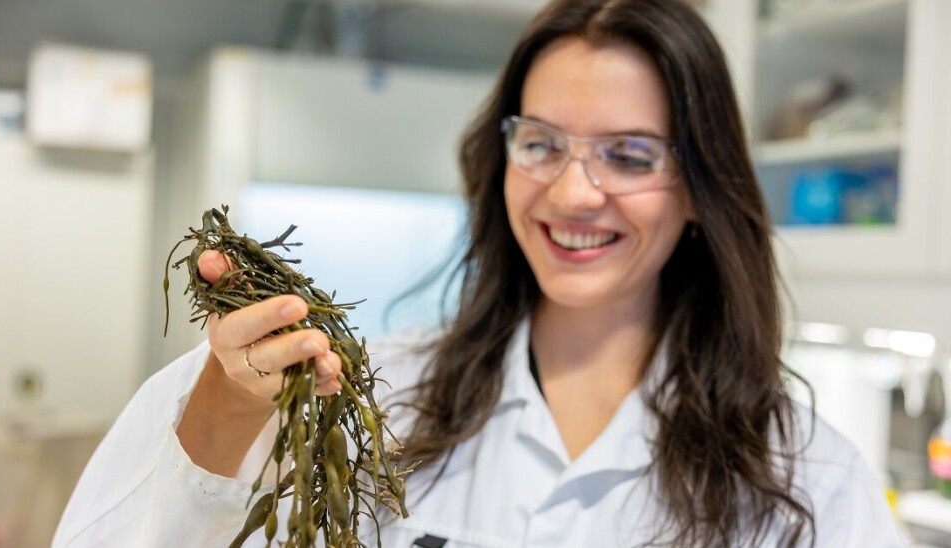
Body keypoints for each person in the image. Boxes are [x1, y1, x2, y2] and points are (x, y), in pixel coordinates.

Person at [54, 0, 904, 546]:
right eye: (540, 143)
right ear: (500, 161)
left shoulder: (804, 477)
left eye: (629, 153)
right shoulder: (371, 397)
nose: (574, 191)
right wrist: (226, 402)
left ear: (698, 189)